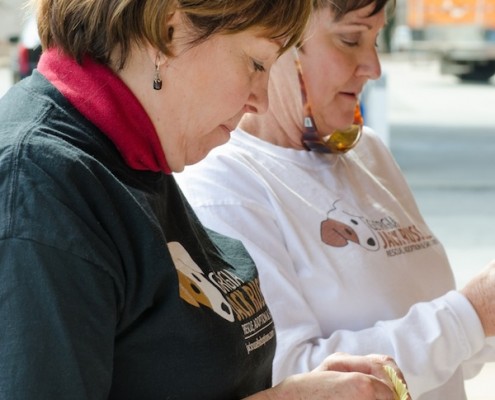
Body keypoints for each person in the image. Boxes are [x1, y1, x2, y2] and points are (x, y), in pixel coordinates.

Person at [0, 0, 410, 399]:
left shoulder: (131, 151)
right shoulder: (40, 187)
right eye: (256, 63)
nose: (261, 100)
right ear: (167, 31)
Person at [176, 0, 495, 399]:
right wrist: (472, 313)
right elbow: (290, 378)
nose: (374, 67)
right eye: (350, 40)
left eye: (376, 40)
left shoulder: (369, 153)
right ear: (277, 44)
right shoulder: (223, 186)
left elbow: (446, 355)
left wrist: (482, 323)